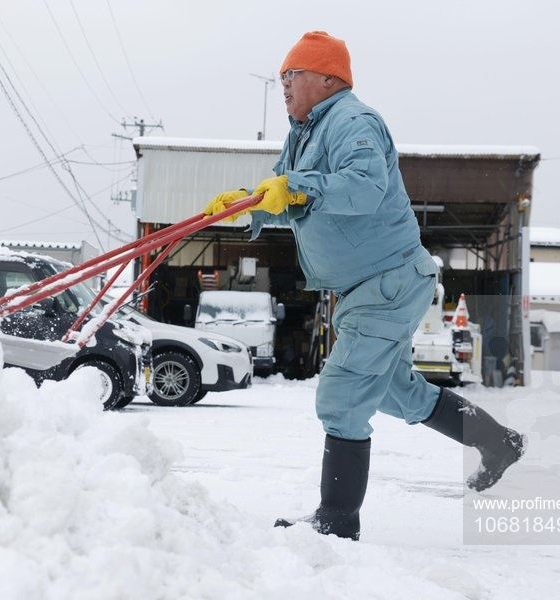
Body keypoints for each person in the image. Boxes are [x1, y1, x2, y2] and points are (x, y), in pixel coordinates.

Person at [203, 31, 526, 540]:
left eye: (293, 74)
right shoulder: (304, 134)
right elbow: (299, 203)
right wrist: (251, 205)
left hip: (387, 280)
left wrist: (294, 188)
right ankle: (498, 441)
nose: (283, 84)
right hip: (371, 287)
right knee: (399, 393)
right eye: (282, 76)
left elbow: (364, 188)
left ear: (328, 78)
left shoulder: (352, 121)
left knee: (342, 395)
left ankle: (337, 520)